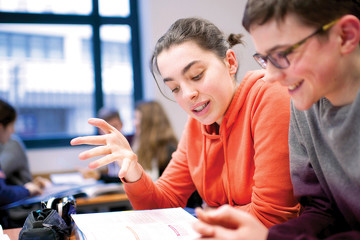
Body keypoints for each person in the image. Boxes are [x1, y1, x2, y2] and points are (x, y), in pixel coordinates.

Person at [71, 17, 299, 227]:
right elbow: (162, 204)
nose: (187, 94)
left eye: (197, 75)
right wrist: (133, 171)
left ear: (230, 62)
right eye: (175, 88)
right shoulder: (196, 125)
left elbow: (272, 216)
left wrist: (206, 217)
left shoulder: (268, 96)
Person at [193, 1, 360, 239]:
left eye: (282, 54)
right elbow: (322, 211)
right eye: (265, 58)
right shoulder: (305, 103)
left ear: (345, 36)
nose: (269, 76)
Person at [0, 99, 44, 228]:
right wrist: (27, 190)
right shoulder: (11, 144)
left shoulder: (12, 144)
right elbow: (2, 193)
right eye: (12, 125)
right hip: (15, 206)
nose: (13, 131)